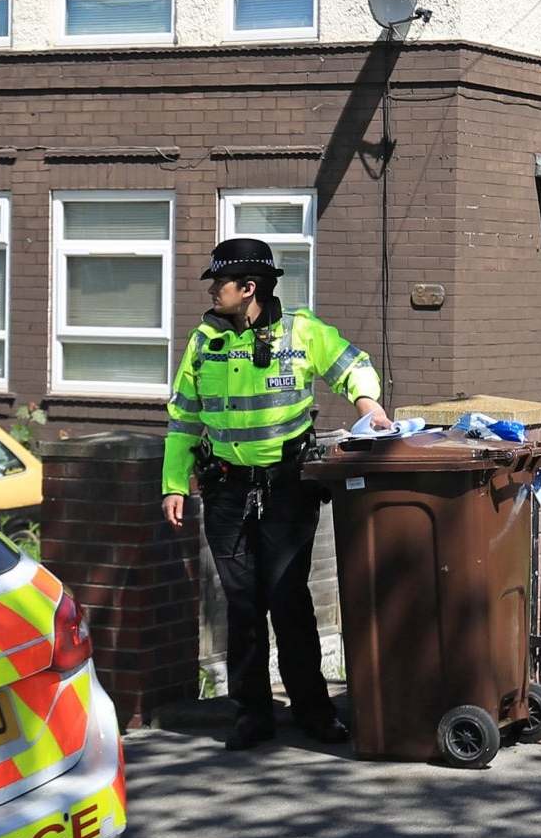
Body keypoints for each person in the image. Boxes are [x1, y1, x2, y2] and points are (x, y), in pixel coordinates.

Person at [161, 238, 389, 752]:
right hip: (225, 490)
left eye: (220, 283)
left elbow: (351, 365)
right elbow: (182, 420)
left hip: (286, 488)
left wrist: (369, 405)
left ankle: (313, 711)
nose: (212, 291)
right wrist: (174, 485)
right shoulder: (204, 341)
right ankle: (252, 714)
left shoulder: (300, 331)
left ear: (249, 288)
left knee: (287, 600)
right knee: (242, 605)